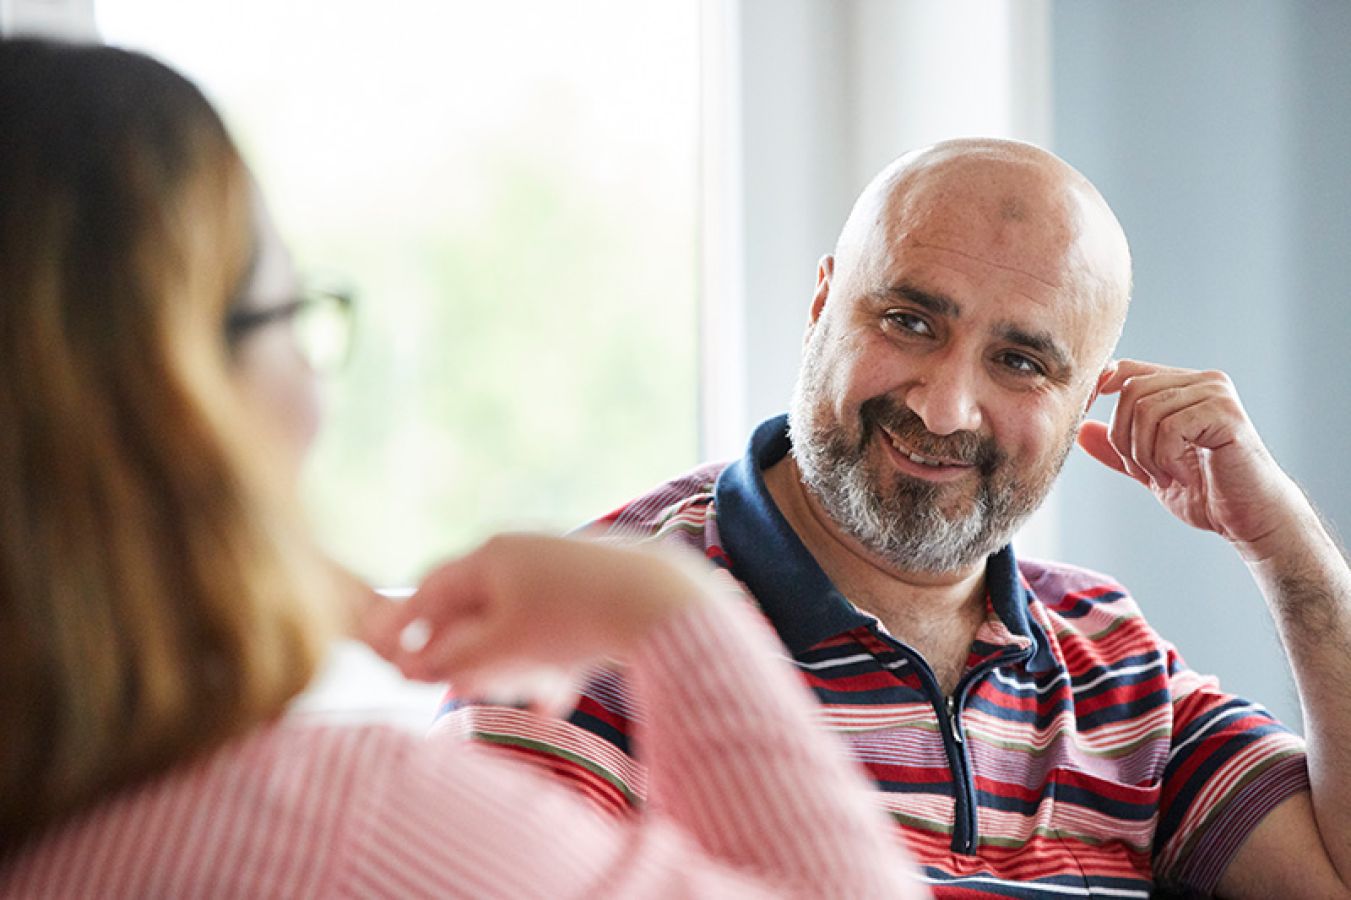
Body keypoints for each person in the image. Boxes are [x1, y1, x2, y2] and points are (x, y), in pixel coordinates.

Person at [0, 38, 925, 898]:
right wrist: (665, 607)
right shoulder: (335, 831)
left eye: (1021, 359)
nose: (943, 406)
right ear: (181, 398)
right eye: (288, 313)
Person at [441, 137, 1351, 898]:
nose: (945, 406)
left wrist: (1286, 551)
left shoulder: (1107, 659)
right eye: (910, 321)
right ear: (820, 306)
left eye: (1021, 363)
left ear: (1085, 403)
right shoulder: (589, 630)